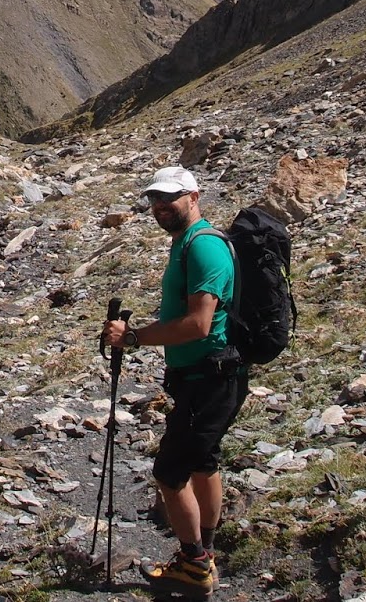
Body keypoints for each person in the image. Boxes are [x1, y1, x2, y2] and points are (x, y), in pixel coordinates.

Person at [102, 165, 248, 595]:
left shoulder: (203, 247)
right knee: (203, 462)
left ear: (194, 196)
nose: (160, 205)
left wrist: (133, 338)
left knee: (169, 471)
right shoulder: (187, 242)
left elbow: (199, 324)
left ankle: (194, 565)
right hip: (205, 375)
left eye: (169, 197)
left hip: (210, 377)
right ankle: (205, 553)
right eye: (154, 198)